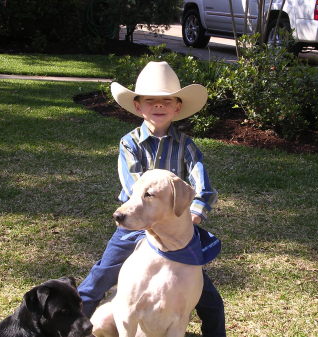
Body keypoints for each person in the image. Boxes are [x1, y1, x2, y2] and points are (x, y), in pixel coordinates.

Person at [77, 61, 226, 337]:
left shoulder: (187, 146)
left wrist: (193, 213)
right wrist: (148, 212)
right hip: (136, 223)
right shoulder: (129, 143)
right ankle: (72, 328)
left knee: (209, 298)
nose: (159, 106)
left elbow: (202, 186)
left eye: (166, 101)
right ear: (138, 106)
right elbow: (134, 186)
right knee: (101, 277)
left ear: (177, 107)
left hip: (173, 229)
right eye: (150, 101)